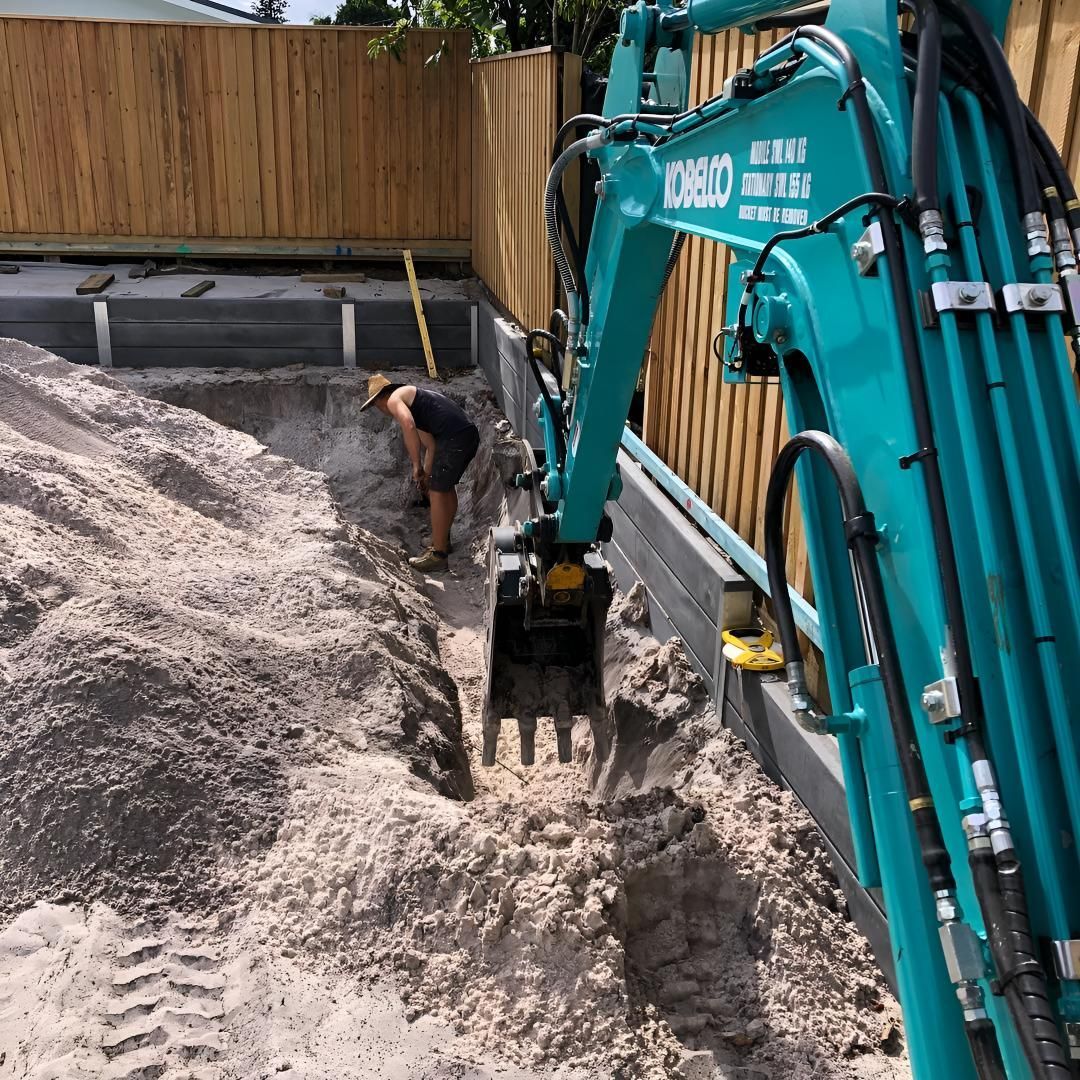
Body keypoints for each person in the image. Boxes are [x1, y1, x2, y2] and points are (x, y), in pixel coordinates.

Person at [360, 373, 480, 572]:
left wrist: (416, 465)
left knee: (438, 491)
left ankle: (438, 554)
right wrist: (426, 473)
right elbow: (431, 446)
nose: (382, 410)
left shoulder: (394, 398)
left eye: (376, 407)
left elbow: (407, 425)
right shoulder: (416, 402)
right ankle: (443, 539)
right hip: (465, 434)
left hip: (455, 438)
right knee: (443, 488)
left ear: (379, 399)